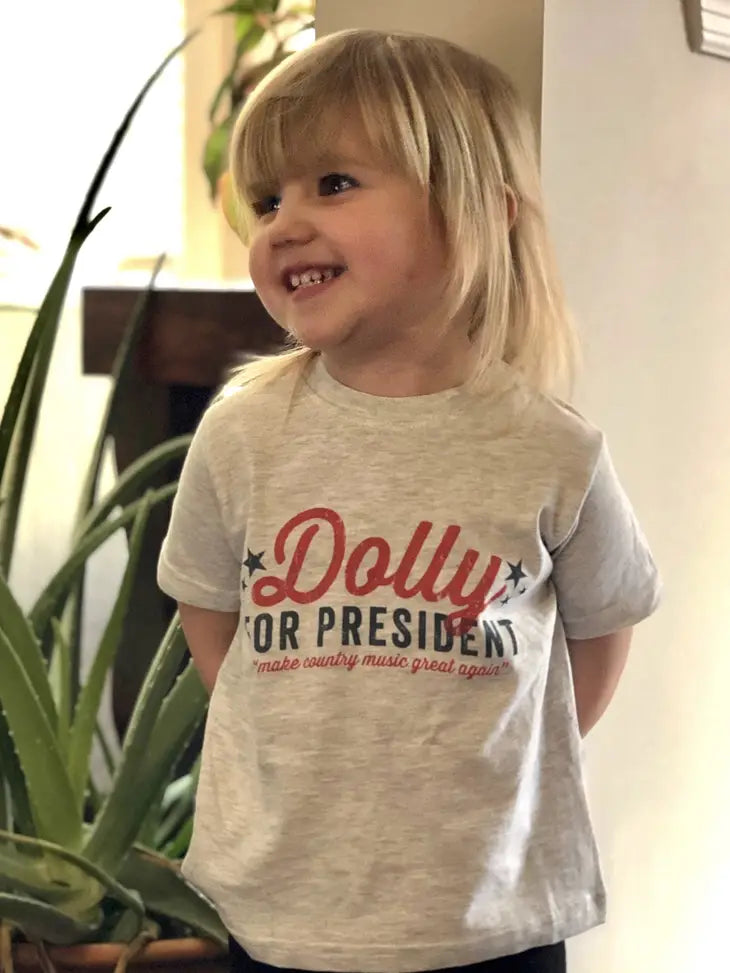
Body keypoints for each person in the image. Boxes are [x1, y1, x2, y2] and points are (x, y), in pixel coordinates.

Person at [157, 28, 661, 973]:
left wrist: (497, 766)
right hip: (289, 911)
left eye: (333, 184)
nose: (283, 224)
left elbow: (604, 627)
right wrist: (290, 738)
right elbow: (211, 610)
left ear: (479, 213)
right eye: (268, 200)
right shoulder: (242, 434)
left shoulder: (551, 447)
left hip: (490, 916)